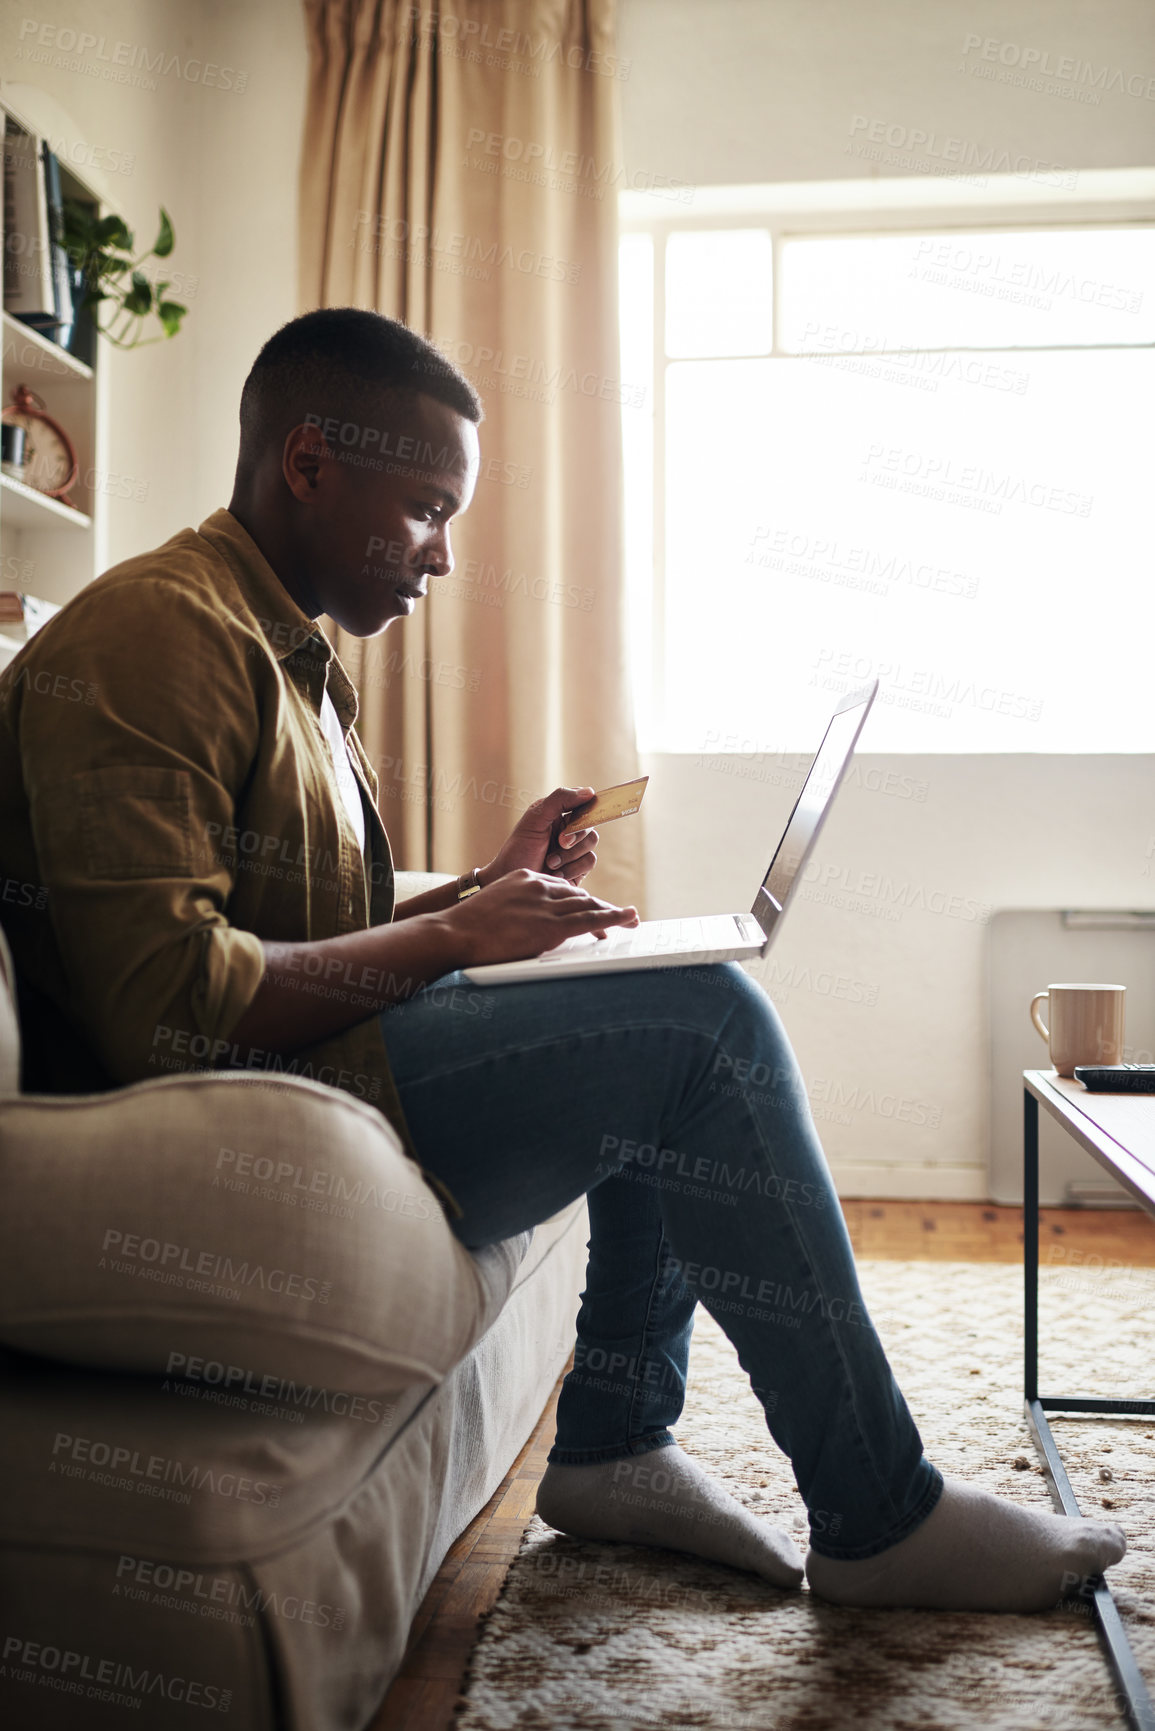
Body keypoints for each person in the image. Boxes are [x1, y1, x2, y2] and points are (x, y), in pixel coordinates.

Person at [0, 308, 1124, 1614]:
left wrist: (485, 888)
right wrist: (457, 935)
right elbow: (165, 1008)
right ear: (310, 464)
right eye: (426, 510)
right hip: (218, 1112)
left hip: (318, 1059)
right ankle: (879, 1516)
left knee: (640, 989)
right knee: (700, 1025)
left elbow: (289, 920)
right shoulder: (160, 633)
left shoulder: (290, 651)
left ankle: (617, 1444)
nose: (444, 555)